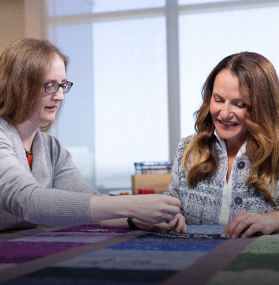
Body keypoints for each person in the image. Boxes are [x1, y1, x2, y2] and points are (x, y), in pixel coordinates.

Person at [0, 38, 186, 233]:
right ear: (20, 86)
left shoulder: (51, 148)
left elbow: (89, 205)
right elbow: (29, 202)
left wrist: (137, 219)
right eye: (51, 85)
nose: (60, 96)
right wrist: (132, 205)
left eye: (63, 85)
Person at [165, 51, 279, 238]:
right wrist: (171, 216)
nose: (225, 113)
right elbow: (172, 206)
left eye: (239, 104)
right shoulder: (188, 148)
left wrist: (273, 220)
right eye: (218, 100)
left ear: (262, 106)